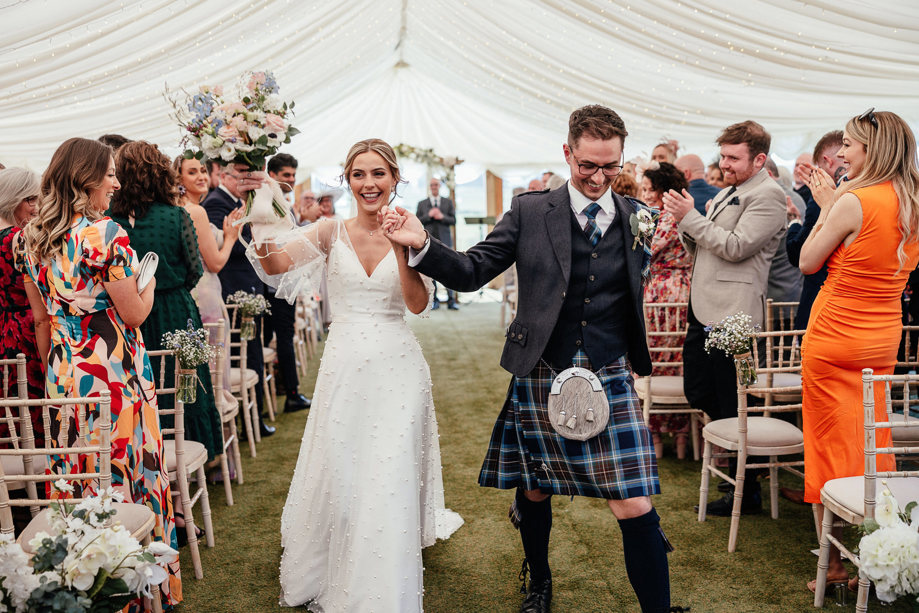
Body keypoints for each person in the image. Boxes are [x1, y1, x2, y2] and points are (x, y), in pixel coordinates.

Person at [383, 105, 672, 613]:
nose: (599, 177)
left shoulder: (639, 218)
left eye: (611, 167)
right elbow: (473, 270)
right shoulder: (530, 210)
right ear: (567, 154)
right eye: (588, 165)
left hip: (608, 370)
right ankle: (539, 581)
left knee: (632, 500)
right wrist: (423, 245)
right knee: (536, 488)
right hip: (543, 367)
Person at [246, 138, 462, 611]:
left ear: (394, 179)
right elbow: (274, 265)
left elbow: (418, 303)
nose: (369, 183)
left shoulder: (412, 228)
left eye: (378, 174)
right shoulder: (328, 232)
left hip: (397, 363)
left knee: (388, 467)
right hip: (343, 364)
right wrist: (262, 217)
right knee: (343, 465)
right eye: (359, 174)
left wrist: (404, 248)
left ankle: (382, 574)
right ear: (348, 180)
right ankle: (334, 558)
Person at [18, 137, 181, 607]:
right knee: (128, 470)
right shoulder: (105, 235)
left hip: (65, 372)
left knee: (79, 473)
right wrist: (146, 288)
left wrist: (57, 373)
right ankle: (141, 591)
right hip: (114, 374)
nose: (116, 181)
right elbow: (132, 316)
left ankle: (80, 583)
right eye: (108, 173)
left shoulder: (30, 239)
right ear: (84, 178)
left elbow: (41, 321)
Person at [799, 109, 919, 593]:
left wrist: (827, 205)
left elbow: (808, 262)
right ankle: (878, 543)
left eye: (848, 144)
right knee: (872, 443)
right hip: (883, 334)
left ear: (871, 149)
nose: (842, 153)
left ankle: (833, 566)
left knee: (829, 446)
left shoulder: (854, 200)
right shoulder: (913, 200)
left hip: (834, 336)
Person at [662, 120, 786, 517]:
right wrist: (686, 221)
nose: (725, 164)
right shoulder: (728, 192)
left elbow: (735, 247)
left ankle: (744, 488)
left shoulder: (769, 195)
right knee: (701, 391)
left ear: (759, 158)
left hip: (735, 316)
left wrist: (690, 216)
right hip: (705, 309)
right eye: (723, 156)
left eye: (734, 157)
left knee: (734, 402)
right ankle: (739, 473)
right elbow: (703, 242)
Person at [109, 141, 224, 467]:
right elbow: (194, 271)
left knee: (141, 387)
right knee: (184, 384)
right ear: (158, 174)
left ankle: (145, 460)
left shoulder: (106, 220)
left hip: (124, 316)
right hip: (174, 310)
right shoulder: (176, 216)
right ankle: (192, 458)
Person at [202, 163, 275, 437]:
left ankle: (255, 419)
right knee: (246, 353)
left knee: (253, 350)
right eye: (240, 177)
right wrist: (251, 226)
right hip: (234, 288)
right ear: (224, 176)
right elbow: (233, 244)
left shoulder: (232, 201)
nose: (245, 182)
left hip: (248, 286)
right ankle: (250, 421)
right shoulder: (216, 203)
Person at [640, 163, 693, 460]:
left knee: (656, 360)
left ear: (662, 190)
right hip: (684, 292)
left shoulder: (662, 218)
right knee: (677, 361)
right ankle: (682, 434)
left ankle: (655, 435)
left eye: (649, 189)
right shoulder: (685, 214)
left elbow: (642, 251)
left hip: (660, 294)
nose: (645, 195)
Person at [0, 168, 45, 445]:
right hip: (27, 330)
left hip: (5, 327)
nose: (37, 207)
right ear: (11, 199)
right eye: (30, 199)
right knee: (32, 404)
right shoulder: (20, 239)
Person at [265, 153, 312, 412]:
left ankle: (289, 389)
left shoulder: (281, 202)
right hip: (275, 284)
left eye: (293, 175)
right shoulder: (269, 203)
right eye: (286, 175)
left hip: (286, 281)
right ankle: (291, 393)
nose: (291, 180)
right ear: (272, 175)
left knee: (286, 335)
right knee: (284, 337)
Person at [786, 130, 845, 330]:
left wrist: (794, 222)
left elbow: (798, 254)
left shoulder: (821, 196)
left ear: (827, 162)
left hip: (824, 305)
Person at [416, 178, 458, 310]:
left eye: (436, 185)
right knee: (432, 270)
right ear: (429, 187)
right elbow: (417, 221)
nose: (434, 187)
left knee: (449, 269)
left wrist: (442, 216)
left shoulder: (447, 202)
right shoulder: (422, 203)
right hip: (429, 241)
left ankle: (451, 300)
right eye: (432, 185)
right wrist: (428, 215)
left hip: (445, 241)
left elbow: (454, 220)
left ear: (439, 186)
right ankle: (435, 300)